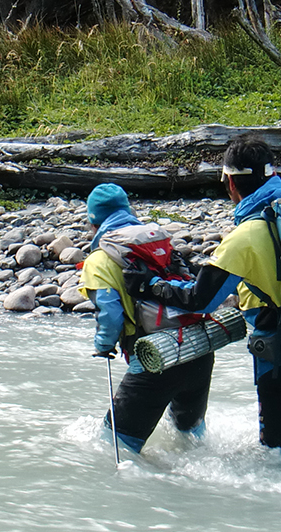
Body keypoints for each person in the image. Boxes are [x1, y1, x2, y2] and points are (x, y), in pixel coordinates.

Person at [130, 136, 281, 461]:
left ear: (230, 182)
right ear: (272, 175)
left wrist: (146, 285)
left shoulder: (245, 236)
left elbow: (200, 301)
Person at [79, 183, 214, 456]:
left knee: (113, 446)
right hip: (199, 350)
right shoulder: (159, 240)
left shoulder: (100, 259)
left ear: (93, 221)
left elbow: (111, 315)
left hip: (156, 359)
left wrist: (104, 346)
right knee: (190, 438)